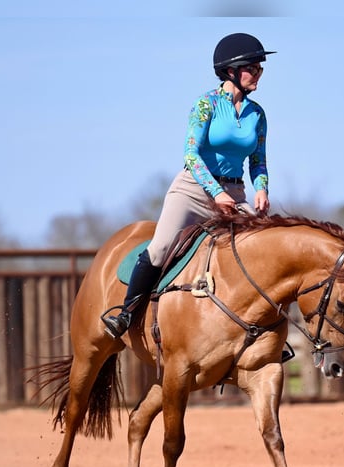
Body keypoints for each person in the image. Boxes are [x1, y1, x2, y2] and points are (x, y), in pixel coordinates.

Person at [102, 32, 276, 339]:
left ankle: (262, 332)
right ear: (231, 71)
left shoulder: (258, 115)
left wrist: (261, 187)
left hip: (235, 194)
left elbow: (258, 161)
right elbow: (191, 155)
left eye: (260, 68)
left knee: (262, 250)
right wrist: (216, 192)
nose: (258, 74)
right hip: (193, 190)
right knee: (159, 249)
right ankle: (126, 314)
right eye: (253, 68)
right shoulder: (205, 105)